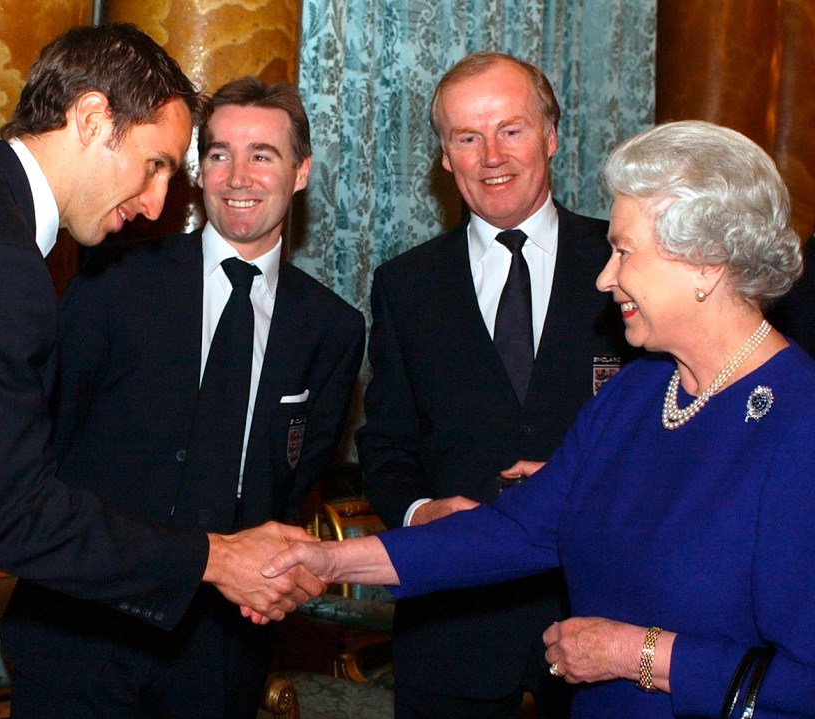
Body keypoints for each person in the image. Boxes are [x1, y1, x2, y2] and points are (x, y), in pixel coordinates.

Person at [263, 120, 815, 718]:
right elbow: (515, 530)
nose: (606, 277)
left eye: (624, 251)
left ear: (705, 262)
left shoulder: (799, 425)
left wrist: (637, 653)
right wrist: (331, 561)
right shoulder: (638, 392)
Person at [0, 25, 325, 719]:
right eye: (156, 164)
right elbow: (13, 511)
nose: (160, 203)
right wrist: (214, 557)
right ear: (92, 118)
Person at [2, 76, 366, 719]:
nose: (237, 175)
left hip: (220, 650)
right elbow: (47, 444)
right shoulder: (112, 281)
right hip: (82, 632)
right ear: (199, 171)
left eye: (263, 155)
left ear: (301, 171)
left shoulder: (332, 329)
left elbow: (289, 485)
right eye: (220, 153)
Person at [353, 51, 630, 718]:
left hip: (607, 625)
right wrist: (422, 515)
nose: (490, 156)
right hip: (452, 633)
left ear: (552, 135)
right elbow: (386, 443)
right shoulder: (405, 286)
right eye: (466, 138)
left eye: (511, 129)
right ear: (444, 157)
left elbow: (679, 432)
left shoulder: (628, 264)